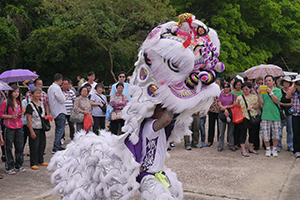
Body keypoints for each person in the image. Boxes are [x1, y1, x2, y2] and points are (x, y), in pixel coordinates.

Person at [0, 85, 26, 175]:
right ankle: (9, 166)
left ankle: (19, 165)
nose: (16, 93)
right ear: (10, 92)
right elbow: (1, 115)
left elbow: (20, 112)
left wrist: (22, 113)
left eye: (18, 92)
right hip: (9, 127)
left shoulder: (19, 102)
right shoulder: (5, 102)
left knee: (19, 146)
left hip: (19, 126)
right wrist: (10, 116)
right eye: (15, 92)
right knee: (8, 147)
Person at [257, 75, 282, 157]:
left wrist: (270, 93)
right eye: (266, 81)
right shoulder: (263, 91)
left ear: (273, 82)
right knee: (265, 134)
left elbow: (277, 101)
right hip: (265, 115)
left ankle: (274, 149)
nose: (268, 82)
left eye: (269, 80)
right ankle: (268, 149)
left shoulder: (278, 90)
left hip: (275, 115)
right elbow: (261, 103)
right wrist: (259, 94)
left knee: (276, 133)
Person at [26, 87, 48, 170]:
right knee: (34, 145)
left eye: (39, 93)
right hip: (34, 127)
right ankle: (33, 162)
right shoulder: (30, 105)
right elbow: (28, 119)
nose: (38, 95)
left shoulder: (41, 103)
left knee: (42, 144)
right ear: (32, 94)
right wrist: (31, 131)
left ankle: (40, 160)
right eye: (37, 93)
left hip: (41, 126)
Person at [236, 82, 260, 157]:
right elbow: (237, 107)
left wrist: (252, 106)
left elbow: (258, 106)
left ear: (250, 89)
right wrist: (238, 103)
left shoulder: (254, 97)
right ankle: (243, 150)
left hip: (253, 117)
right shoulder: (239, 97)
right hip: (244, 117)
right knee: (243, 133)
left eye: (246, 89)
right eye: (243, 89)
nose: (245, 90)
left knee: (253, 133)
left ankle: (251, 148)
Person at [48, 73, 67, 153]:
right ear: (60, 80)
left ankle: (58, 145)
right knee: (60, 129)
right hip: (60, 111)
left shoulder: (50, 88)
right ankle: (56, 146)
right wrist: (65, 97)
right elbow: (62, 99)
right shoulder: (57, 88)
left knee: (58, 129)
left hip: (54, 111)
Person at [217, 82, 236, 152]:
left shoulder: (233, 96)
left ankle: (231, 145)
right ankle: (220, 145)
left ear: (230, 88)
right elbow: (219, 104)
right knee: (221, 132)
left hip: (231, 114)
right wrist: (225, 110)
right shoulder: (221, 95)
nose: (226, 88)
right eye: (224, 87)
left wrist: (226, 107)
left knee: (231, 132)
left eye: (227, 87)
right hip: (222, 114)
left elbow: (234, 105)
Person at [286, 75, 300, 158]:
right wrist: (294, 86)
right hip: (296, 115)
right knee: (296, 132)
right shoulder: (294, 91)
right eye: (298, 83)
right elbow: (287, 96)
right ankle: (297, 150)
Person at [278, 76, 293, 152]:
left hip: (289, 113)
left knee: (290, 130)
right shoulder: (279, 91)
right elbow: (278, 102)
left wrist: (283, 104)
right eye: (285, 82)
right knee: (279, 130)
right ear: (282, 83)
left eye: (288, 82)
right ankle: (279, 146)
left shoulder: (291, 92)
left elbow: (292, 104)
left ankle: (290, 145)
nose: (286, 84)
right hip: (281, 113)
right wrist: (286, 104)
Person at [231, 78, 243, 150]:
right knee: (235, 128)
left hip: (242, 111)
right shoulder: (232, 92)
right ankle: (235, 142)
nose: (238, 86)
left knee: (241, 128)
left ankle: (240, 142)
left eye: (239, 85)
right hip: (235, 111)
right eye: (237, 85)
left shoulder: (243, 92)